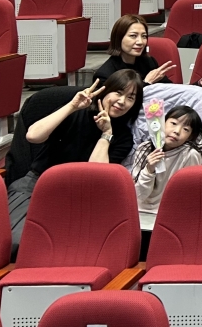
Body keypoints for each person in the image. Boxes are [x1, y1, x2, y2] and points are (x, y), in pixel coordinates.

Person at [14, 71, 143, 246]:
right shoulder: (76, 112)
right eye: (118, 92)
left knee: (56, 245)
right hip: (37, 186)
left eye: (130, 98)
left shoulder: (123, 137)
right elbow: (33, 136)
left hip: (79, 198)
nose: (122, 101)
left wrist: (106, 134)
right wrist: (72, 106)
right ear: (106, 90)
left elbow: (95, 175)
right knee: (16, 242)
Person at [132, 105, 202, 214]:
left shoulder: (190, 155)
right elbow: (139, 195)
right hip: (139, 210)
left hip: (169, 213)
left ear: (190, 136)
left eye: (186, 129)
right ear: (162, 122)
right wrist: (149, 170)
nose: (177, 131)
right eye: (173, 123)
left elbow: (186, 196)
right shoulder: (144, 148)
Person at [93, 15, 176, 85]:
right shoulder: (105, 75)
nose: (140, 42)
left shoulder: (149, 62)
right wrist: (147, 82)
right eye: (133, 36)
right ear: (119, 39)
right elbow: (124, 98)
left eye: (144, 36)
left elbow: (168, 89)